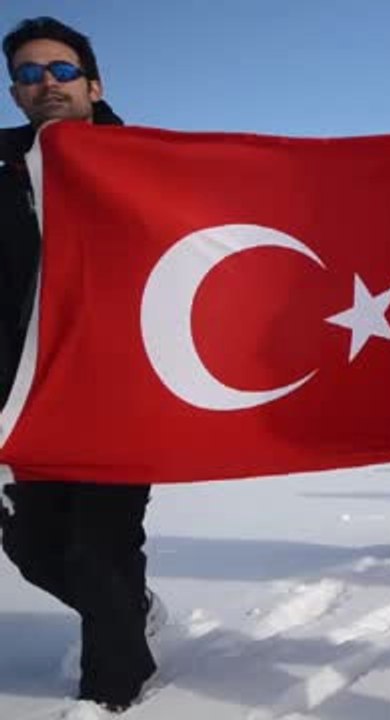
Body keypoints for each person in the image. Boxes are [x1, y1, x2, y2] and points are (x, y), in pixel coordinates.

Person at [0, 17, 165, 713]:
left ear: (94, 85)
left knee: (101, 549)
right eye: (30, 74)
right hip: (24, 395)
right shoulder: (3, 170)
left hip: (119, 393)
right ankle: (133, 608)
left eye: (62, 71)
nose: (47, 84)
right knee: (34, 548)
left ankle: (112, 692)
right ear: (15, 93)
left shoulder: (151, 164)